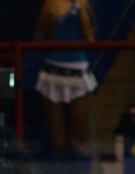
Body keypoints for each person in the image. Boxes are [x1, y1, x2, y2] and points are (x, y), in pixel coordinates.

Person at [34, 0, 98, 157]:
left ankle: (82, 172)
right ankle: (59, 171)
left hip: (77, 71)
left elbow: (90, 35)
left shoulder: (81, 6)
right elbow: (40, 35)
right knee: (59, 143)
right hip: (52, 72)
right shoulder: (50, 5)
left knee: (79, 143)